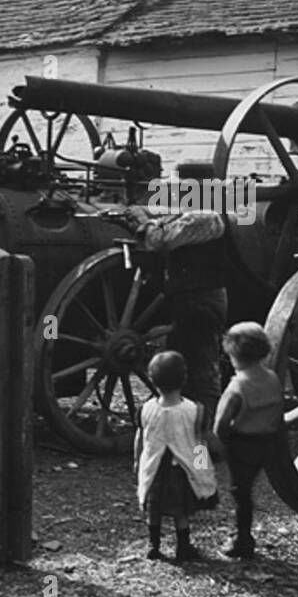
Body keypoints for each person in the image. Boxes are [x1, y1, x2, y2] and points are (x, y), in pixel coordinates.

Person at [126, 162, 231, 444]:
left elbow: (163, 238)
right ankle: (187, 430)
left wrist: (140, 219)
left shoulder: (206, 217)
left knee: (202, 369)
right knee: (188, 364)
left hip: (202, 300)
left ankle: (207, 436)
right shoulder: (192, 214)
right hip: (190, 300)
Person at [134, 350, 218, 563]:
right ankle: (183, 547)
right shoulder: (194, 410)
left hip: (155, 470)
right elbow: (200, 441)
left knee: (153, 511)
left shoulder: (146, 409)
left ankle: (154, 546)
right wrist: (201, 466)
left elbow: (140, 438)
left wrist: (137, 461)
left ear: (152, 380)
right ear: (184, 378)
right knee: (180, 512)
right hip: (179, 472)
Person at [213, 321, 283, 559]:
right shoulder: (272, 378)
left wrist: (217, 449)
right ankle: (243, 535)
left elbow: (220, 426)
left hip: (241, 443)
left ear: (233, 355)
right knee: (246, 488)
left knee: (239, 493)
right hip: (266, 441)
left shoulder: (237, 387)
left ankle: (243, 539)